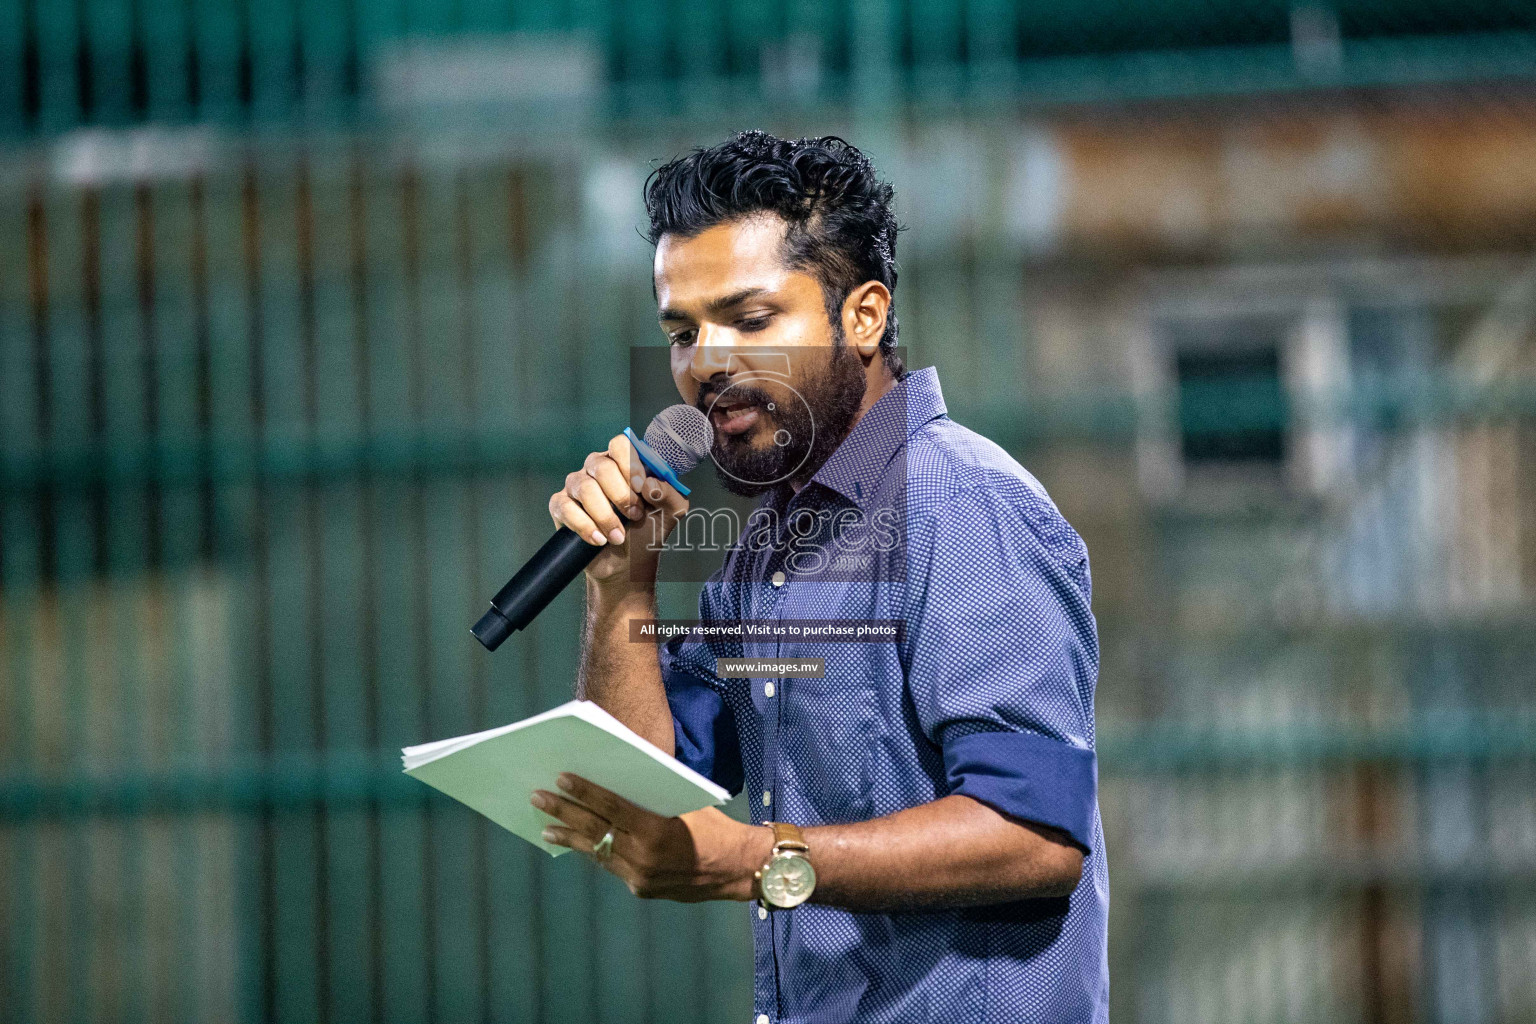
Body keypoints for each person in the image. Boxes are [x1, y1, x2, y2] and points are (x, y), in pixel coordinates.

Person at [531, 131, 1107, 1023]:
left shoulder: (961, 504)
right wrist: (622, 587)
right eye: (682, 331)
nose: (707, 363)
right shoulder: (767, 549)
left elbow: (1033, 835)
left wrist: (761, 859)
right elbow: (651, 788)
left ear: (864, 316)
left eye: (750, 319)